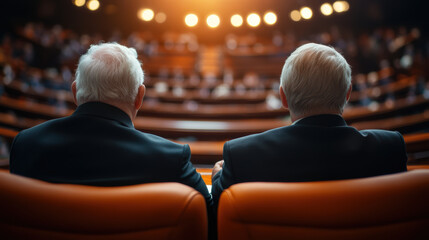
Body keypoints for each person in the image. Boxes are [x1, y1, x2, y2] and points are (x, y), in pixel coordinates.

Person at [9, 42, 212, 208]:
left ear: (75, 92)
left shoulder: (26, 145)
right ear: (139, 97)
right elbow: (209, 219)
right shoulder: (170, 158)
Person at [211, 43, 408, 206]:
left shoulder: (242, 156)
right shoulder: (390, 148)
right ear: (347, 94)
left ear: (283, 97)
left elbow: (218, 218)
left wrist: (217, 179)